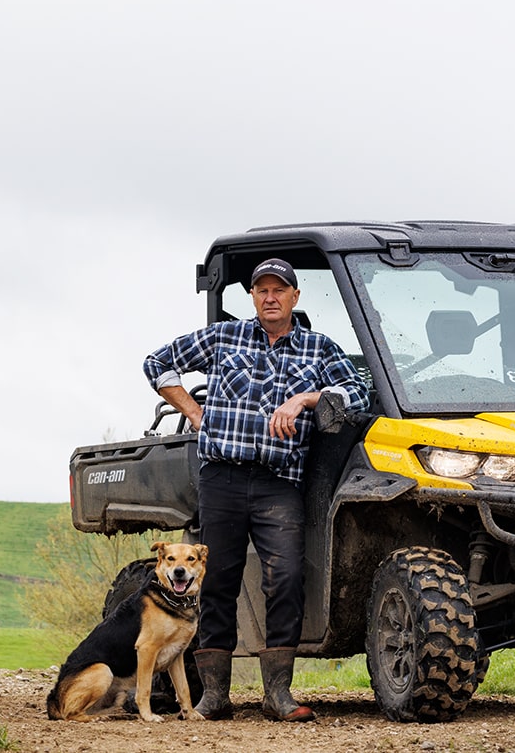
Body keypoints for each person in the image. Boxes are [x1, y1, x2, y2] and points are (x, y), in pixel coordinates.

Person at [142, 257, 368, 722]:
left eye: (279, 290)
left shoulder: (319, 348)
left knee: (284, 578)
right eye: (261, 290)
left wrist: (308, 398)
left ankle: (278, 695)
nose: (270, 297)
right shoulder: (224, 338)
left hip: (279, 483)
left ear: (294, 297)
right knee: (219, 581)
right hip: (221, 478)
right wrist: (193, 412)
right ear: (252, 297)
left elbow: (358, 393)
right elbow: (157, 363)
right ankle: (216, 696)